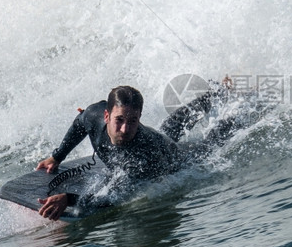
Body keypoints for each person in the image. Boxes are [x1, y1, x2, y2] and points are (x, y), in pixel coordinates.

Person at [36, 82, 237, 220]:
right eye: (119, 120)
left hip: (173, 158)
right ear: (106, 115)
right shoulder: (93, 115)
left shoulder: (143, 155)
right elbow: (80, 124)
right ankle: (218, 92)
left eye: (133, 121)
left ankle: (243, 110)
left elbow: (112, 198)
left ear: (140, 116)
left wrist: (68, 199)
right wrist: (57, 156)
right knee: (171, 126)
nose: (124, 129)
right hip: (157, 140)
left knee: (209, 142)